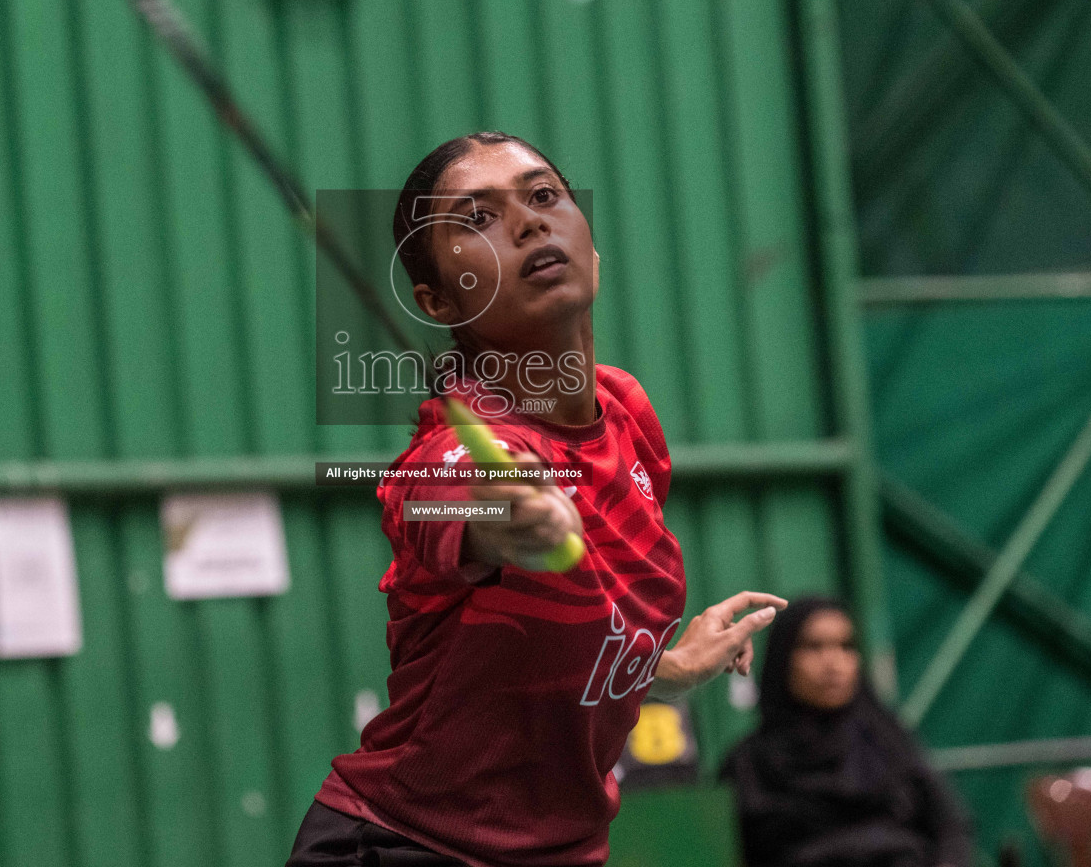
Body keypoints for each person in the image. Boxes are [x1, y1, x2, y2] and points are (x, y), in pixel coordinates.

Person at [286, 131, 787, 867]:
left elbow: (562, 644)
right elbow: (442, 505)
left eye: (545, 196)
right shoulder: (450, 457)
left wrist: (671, 669)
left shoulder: (625, 412)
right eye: (477, 218)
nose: (528, 222)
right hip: (409, 848)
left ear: (592, 247)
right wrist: (511, 519)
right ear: (433, 298)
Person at [719, 596, 974, 867]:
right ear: (782, 657)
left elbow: (951, 825)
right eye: (813, 647)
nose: (834, 663)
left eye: (846, 646)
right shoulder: (750, 765)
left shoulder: (890, 742)